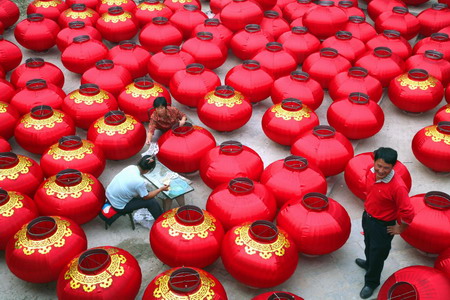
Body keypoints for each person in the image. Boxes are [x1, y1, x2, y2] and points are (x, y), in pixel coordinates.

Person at [355, 147, 415, 299]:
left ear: (393, 167)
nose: (381, 171)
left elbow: (408, 211)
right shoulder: (370, 171)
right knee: (368, 244)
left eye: (386, 168)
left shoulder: (398, 187)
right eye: (379, 166)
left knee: (378, 255)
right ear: (374, 161)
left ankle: (371, 282)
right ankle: (368, 264)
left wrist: (401, 228)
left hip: (383, 226)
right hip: (368, 217)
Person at [106, 155, 169, 221]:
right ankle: (161, 220)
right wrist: (160, 189)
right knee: (151, 201)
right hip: (118, 206)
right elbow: (146, 197)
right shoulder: (139, 181)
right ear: (148, 170)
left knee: (143, 190)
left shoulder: (130, 167)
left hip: (109, 195)